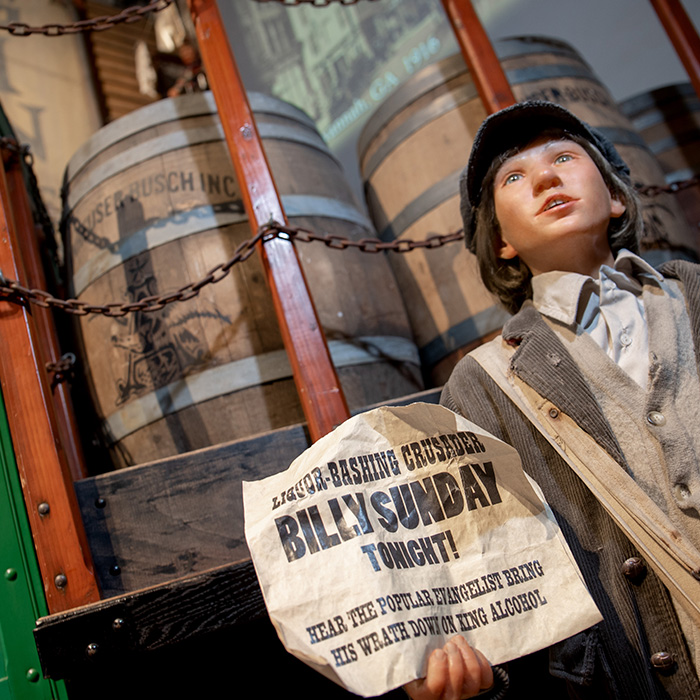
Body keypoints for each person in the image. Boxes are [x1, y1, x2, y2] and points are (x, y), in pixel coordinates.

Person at [405, 100, 700, 699]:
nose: (544, 176)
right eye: (514, 178)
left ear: (615, 198)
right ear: (502, 240)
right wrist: (470, 674)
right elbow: (491, 573)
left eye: (564, 157)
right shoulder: (482, 384)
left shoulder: (695, 292)